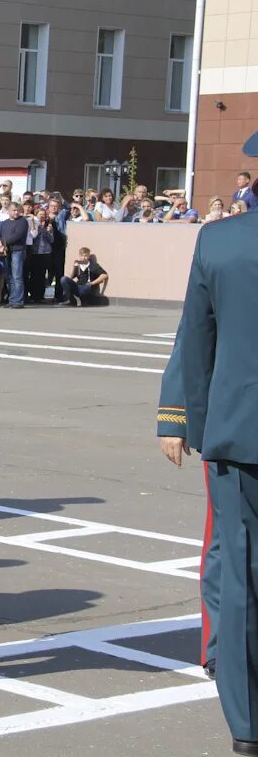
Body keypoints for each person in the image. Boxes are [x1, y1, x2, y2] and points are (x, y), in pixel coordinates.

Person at [178, 130, 258, 754]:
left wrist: (191, 425)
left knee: (243, 580)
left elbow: (196, 343)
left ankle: (249, 724)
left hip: (241, 436)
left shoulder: (222, 240)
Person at [156, 323, 220, 681]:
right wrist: (174, 416)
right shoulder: (218, 262)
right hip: (237, 425)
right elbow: (195, 333)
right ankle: (220, 646)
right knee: (227, 544)